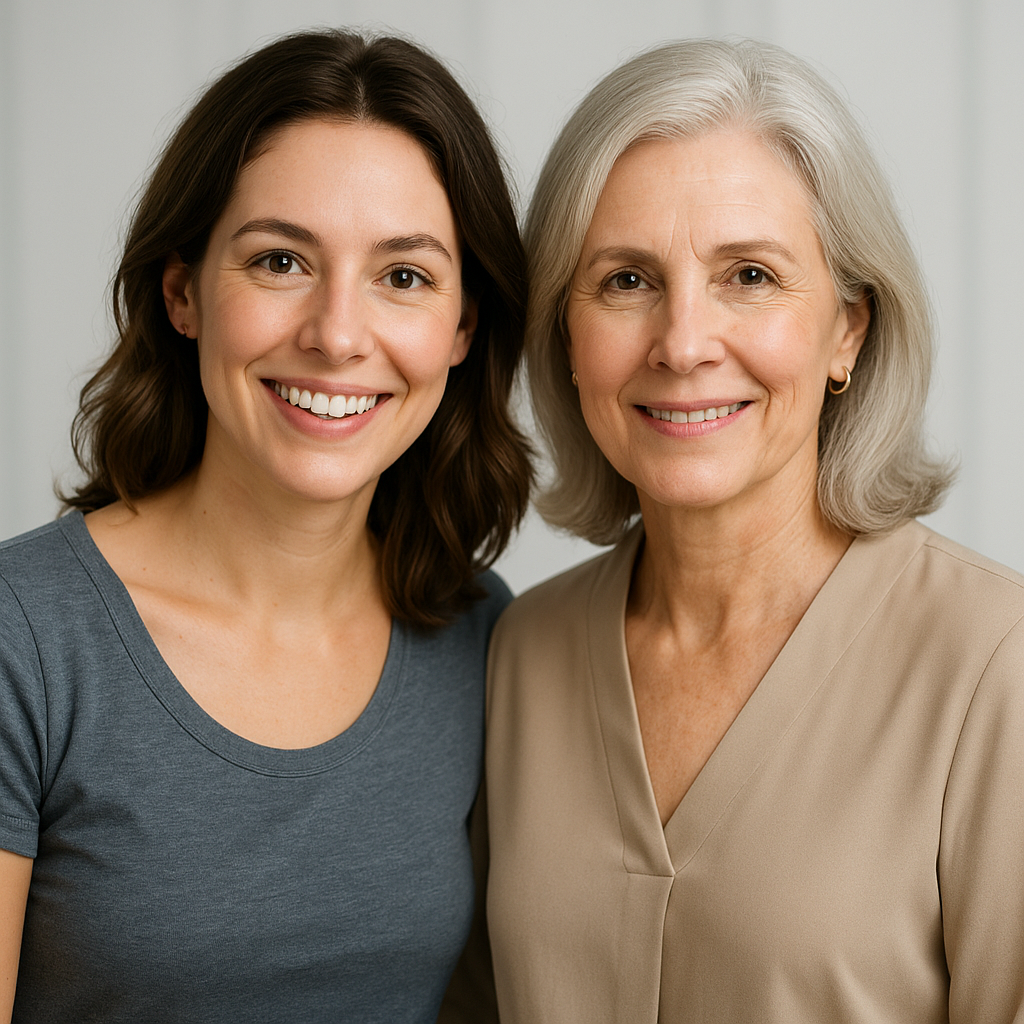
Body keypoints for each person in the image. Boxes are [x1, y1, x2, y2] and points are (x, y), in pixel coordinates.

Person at [442, 38, 1024, 1024]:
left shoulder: (993, 664)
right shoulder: (517, 654)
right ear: (564, 334)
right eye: (625, 279)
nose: (681, 343)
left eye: (747, 274)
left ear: (846, 327)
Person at [0, 28, 531, 1023]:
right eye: (281, 259)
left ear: (462, 329)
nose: (336, 333)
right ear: (183, 290)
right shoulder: (22, 638)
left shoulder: (478, 632)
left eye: (404, 276)